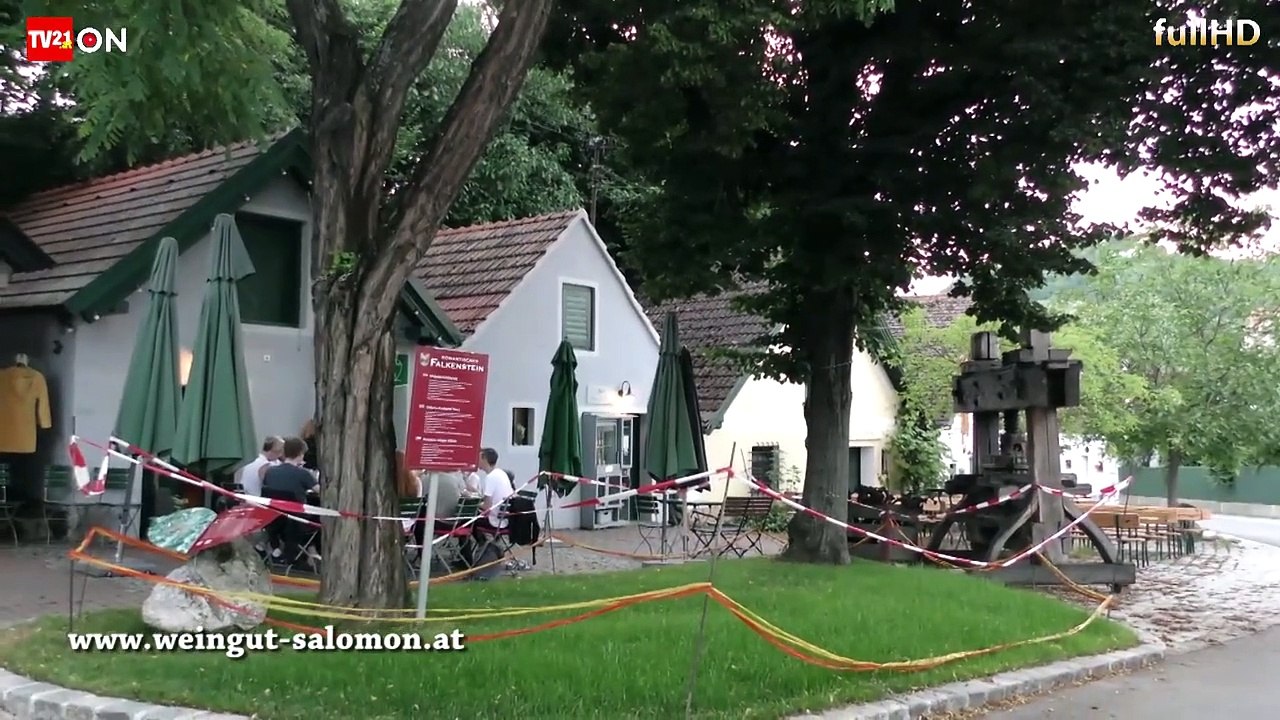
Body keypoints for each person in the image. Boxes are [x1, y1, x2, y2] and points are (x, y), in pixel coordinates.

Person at [262, 437, 321, 565]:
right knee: (318, 520)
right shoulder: (303, 474)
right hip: (296, 522)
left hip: (273, 521)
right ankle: (312, 554)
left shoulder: (270, 472)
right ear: (300, 454)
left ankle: (280, 550)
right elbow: (320, 491)